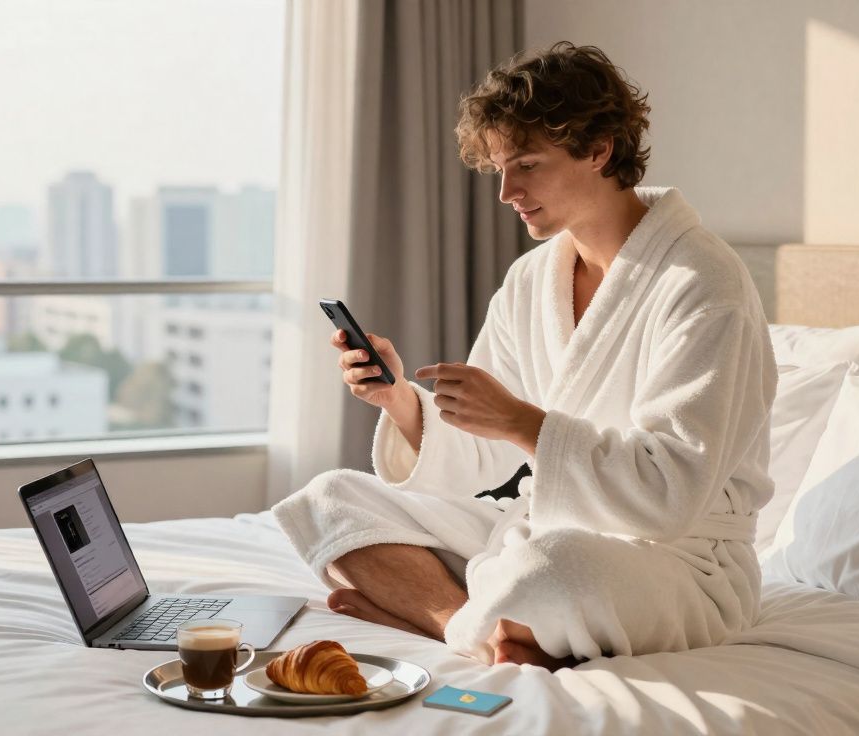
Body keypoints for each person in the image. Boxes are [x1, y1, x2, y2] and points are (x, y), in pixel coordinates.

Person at [273, 42, 776, 670]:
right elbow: (486, 461)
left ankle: (449, 616)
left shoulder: (702, 281)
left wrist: (523, 422)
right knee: (327, 500)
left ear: (600, 149)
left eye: (528, 165)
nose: (507, 191)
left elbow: (669, 495)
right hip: (539, 527)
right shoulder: (533, 279)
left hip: (678, 561)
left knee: (553, 568)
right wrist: (400, 401)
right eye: (500, 169)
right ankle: (466, 624)